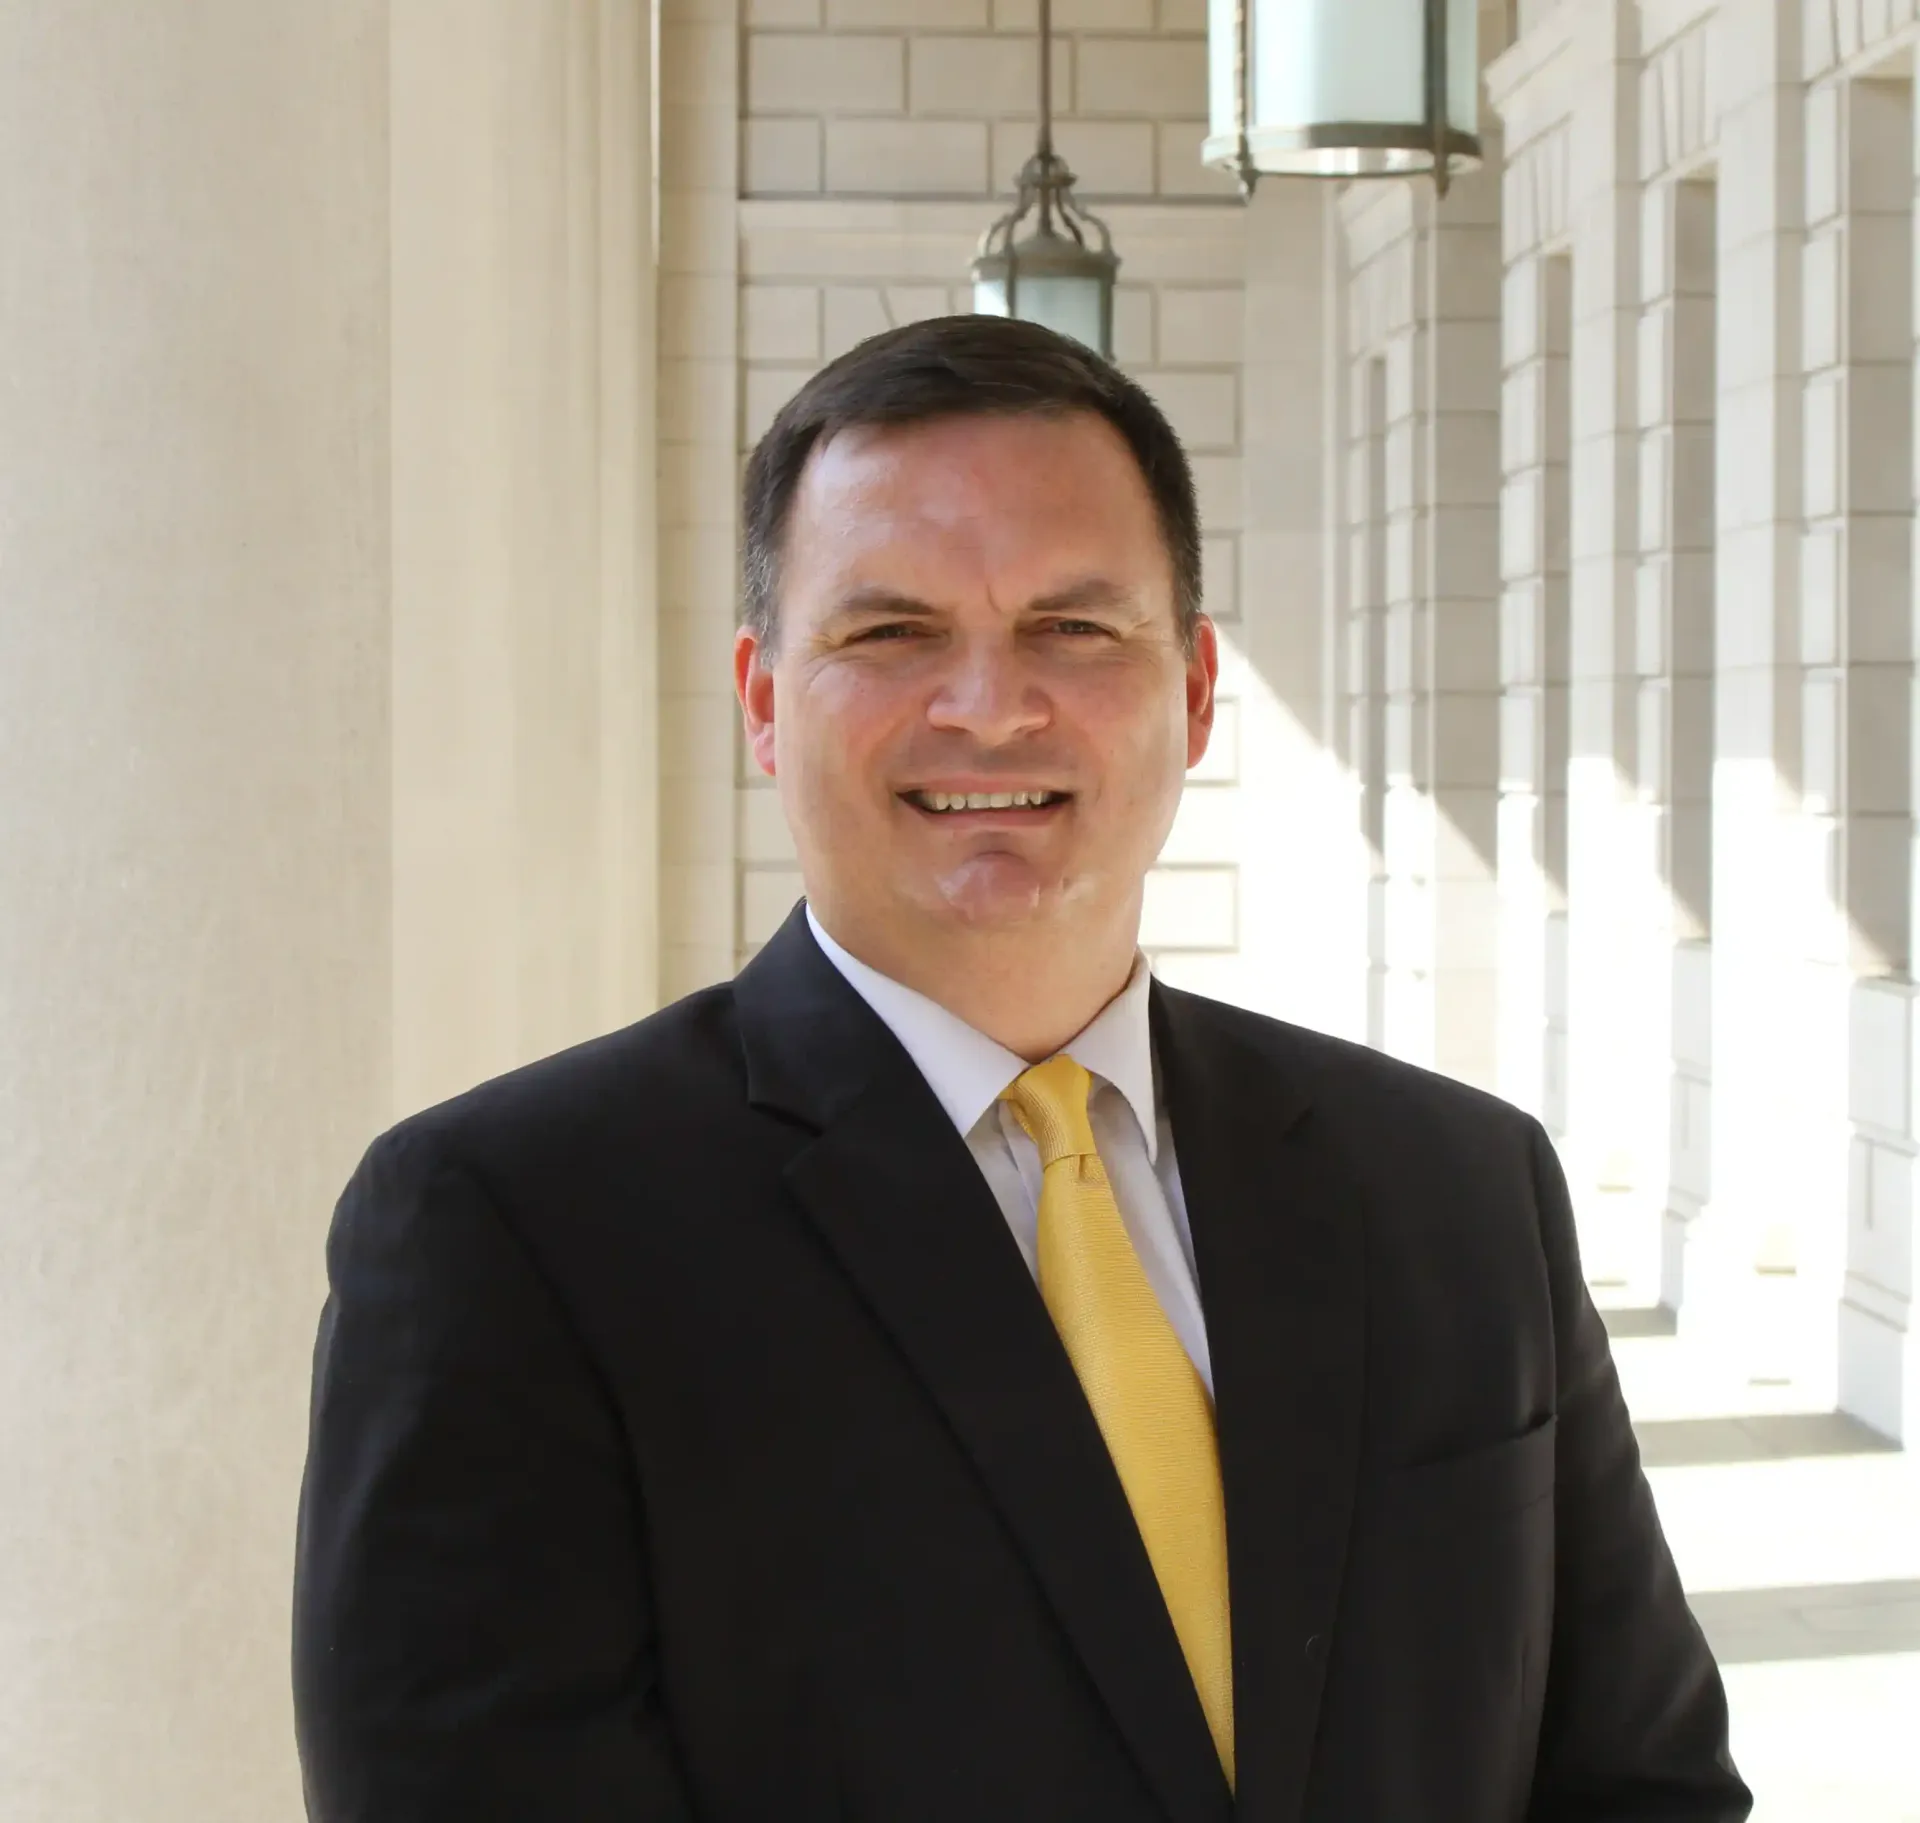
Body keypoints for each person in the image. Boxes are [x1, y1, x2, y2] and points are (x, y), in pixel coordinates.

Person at [291, 314, 1752, 1822]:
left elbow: (1646, 1785)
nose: (990, 704)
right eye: (889, 631)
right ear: (762, 696)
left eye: (1074, 627)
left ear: (1190, 691)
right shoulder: (512, 1229)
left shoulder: (1462, 1188)